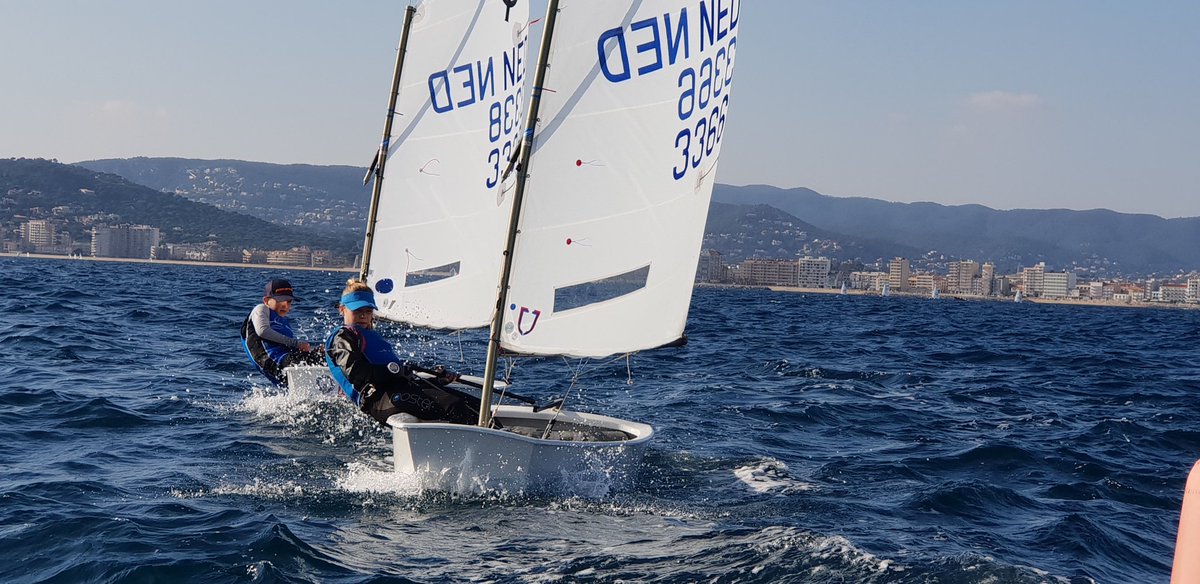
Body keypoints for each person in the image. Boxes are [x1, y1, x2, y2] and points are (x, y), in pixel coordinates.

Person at [324, 279, 483, 426]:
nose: (364, 316)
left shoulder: (372, 336)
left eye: (368, 310)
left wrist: (437, 380)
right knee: (455, 407)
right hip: (379, 399)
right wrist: (393, 370)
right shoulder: (342, 337)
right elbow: (357, 374)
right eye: (357, 311)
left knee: (478, 407)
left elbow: (398, 374)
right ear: (342, 309)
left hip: (398, 391)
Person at [240, 278, 323, 385]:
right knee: (314, 358)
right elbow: (262, 331)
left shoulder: (285, 323)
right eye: (280, 300)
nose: (285, 305)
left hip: (287, 361)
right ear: (266, 301)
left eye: (288, 301)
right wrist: (297, 344)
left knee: (324, 355)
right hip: (273, 362)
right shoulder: (261, 309)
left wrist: (313, 350)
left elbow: (289, 347)